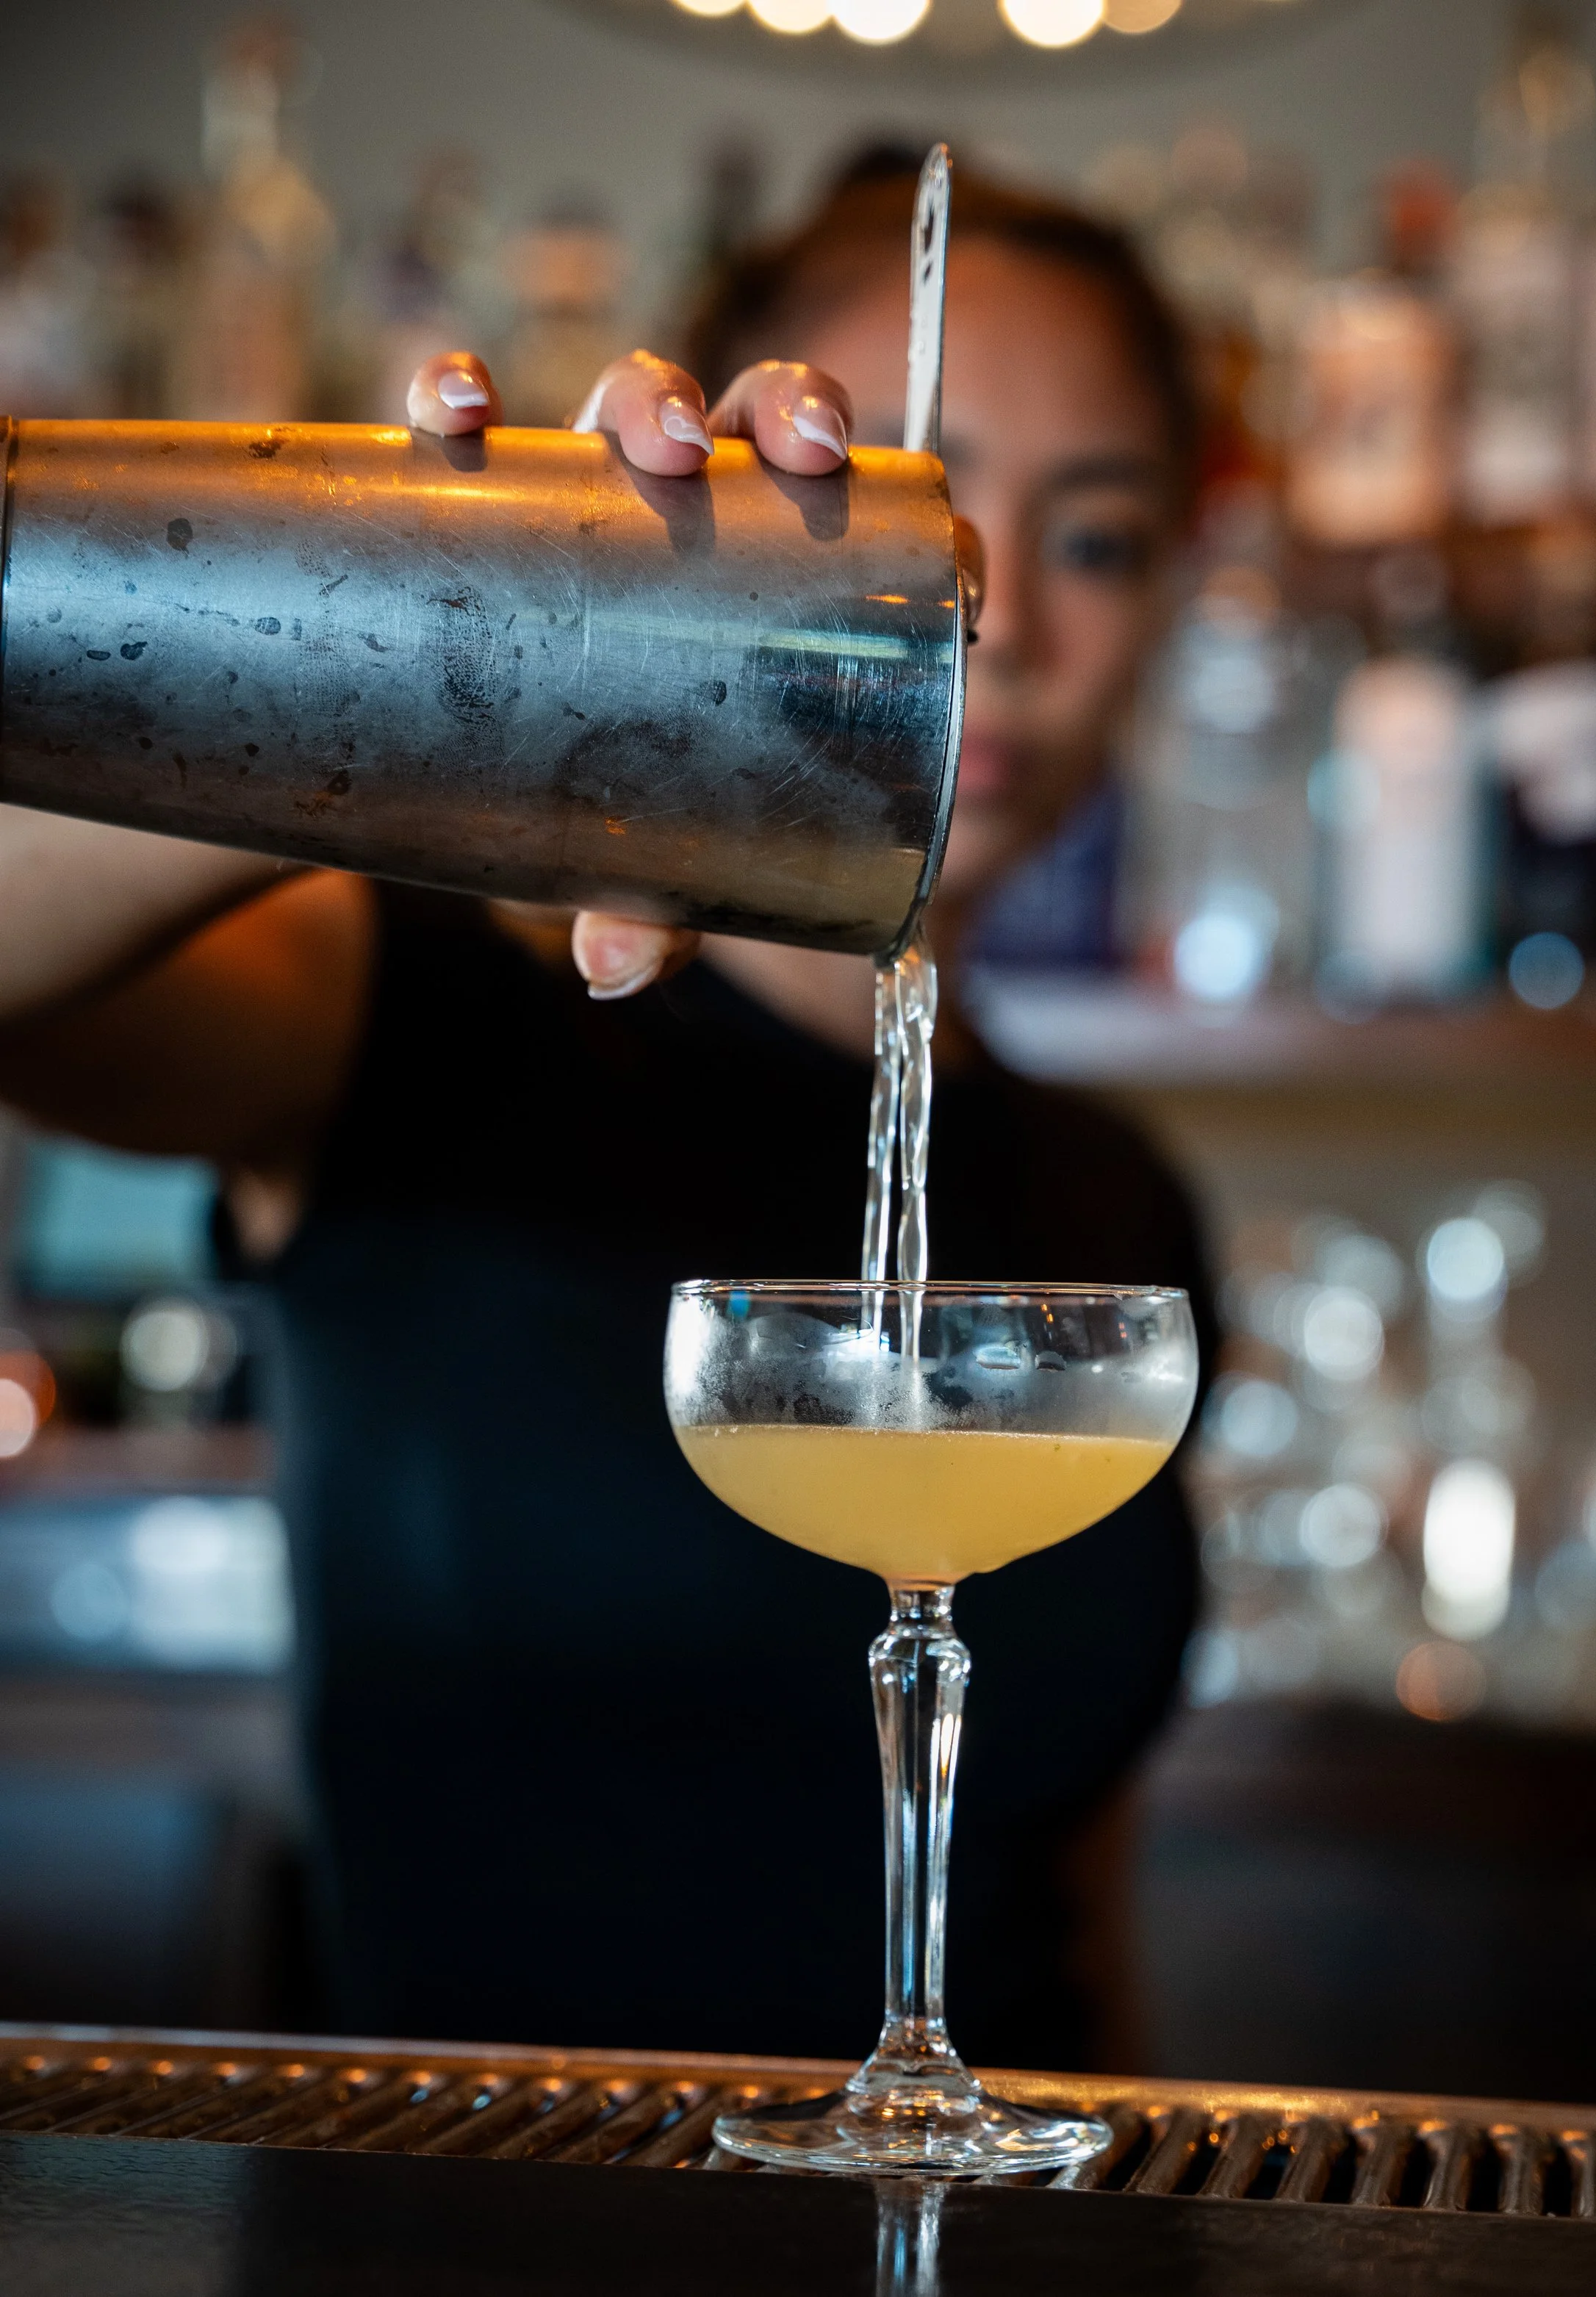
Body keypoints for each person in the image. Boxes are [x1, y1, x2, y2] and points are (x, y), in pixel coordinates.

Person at [0, 159, 1215, 2073]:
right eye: (911, 502)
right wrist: (495, 638)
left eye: (1101, 540)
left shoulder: (1115, 1200)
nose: (995, 619)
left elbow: (1066, 1897)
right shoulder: (409, 1010)